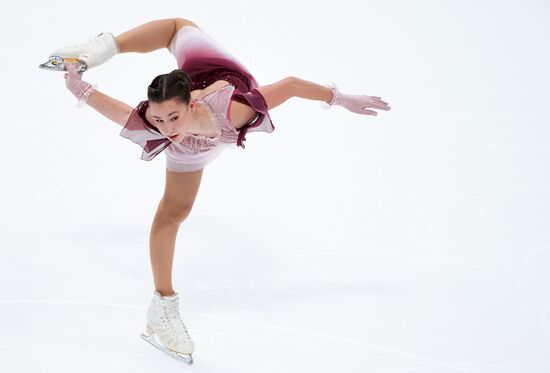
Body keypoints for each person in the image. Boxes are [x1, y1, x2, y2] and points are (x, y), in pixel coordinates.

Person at [49, 17, 391, 364]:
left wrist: (341, 98)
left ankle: (107, 44)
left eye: (173, 118)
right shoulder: (160, 127)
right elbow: (119, 112)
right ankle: (162, 306)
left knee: (177, 27)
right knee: (173, 212)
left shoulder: (234, 109)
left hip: (217, 78)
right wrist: (77, 85)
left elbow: (289, 85)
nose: (166, 129)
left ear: (191, 107)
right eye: (158, 119)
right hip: (191, 151)